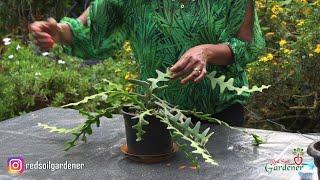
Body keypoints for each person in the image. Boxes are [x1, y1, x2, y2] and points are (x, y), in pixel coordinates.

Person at [29, 0, 265, 127]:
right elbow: (89, 31)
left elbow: (248, 44)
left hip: (220, 112)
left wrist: (207, 51)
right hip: (157, 114)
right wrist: (59, 33)